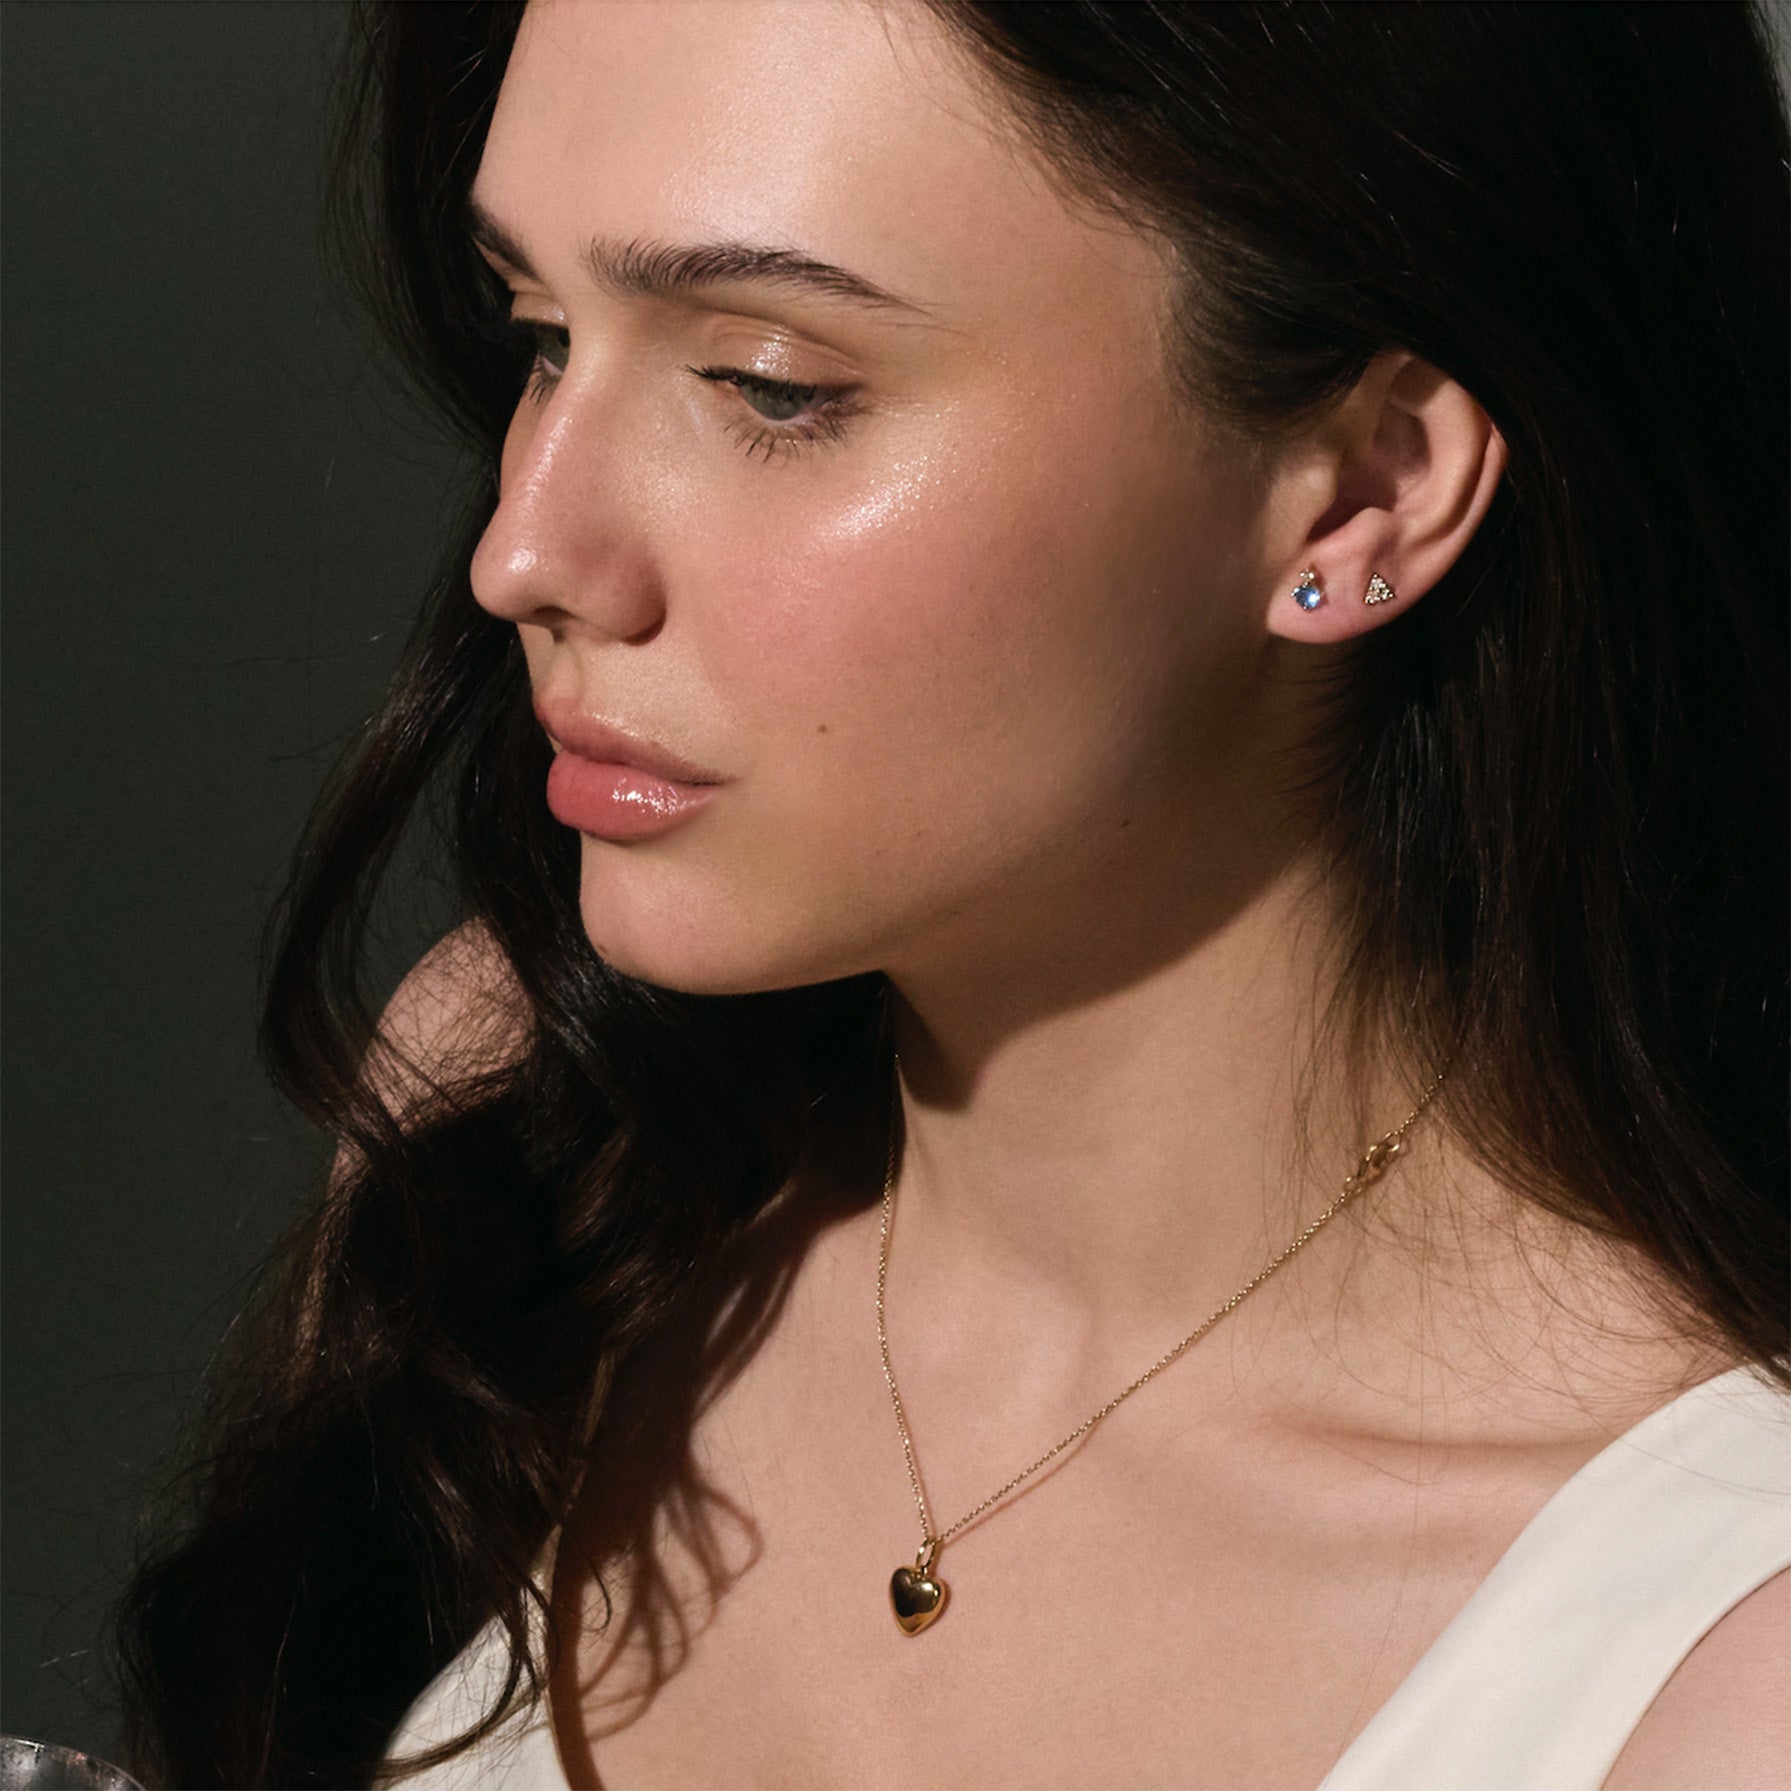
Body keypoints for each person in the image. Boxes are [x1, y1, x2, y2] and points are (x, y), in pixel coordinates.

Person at [118, 2, 1788, 1787]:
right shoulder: (528, 1143)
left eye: (771, 382)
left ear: (1366, 491)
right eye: (539, 333)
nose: (525, 548)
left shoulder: (1707, 1666)